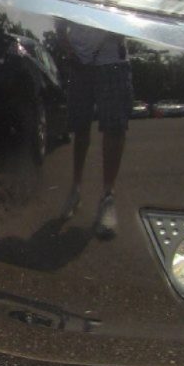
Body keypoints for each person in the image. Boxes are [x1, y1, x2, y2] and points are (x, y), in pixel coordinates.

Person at [60, 22, 133, 234]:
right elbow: (60, 22)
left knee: (114, 127)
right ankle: (75, 189)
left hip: (112, 62)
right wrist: (69, 48)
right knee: (80, 127)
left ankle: (107, 196)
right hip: (79, 62)